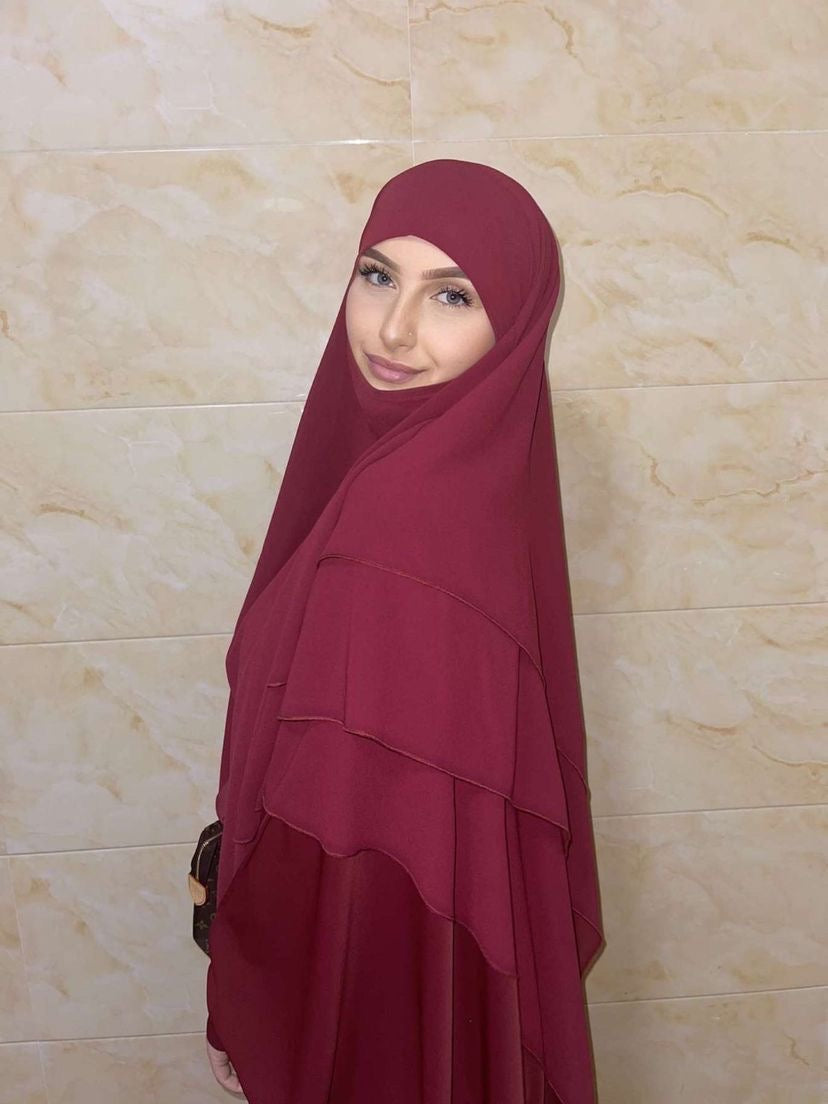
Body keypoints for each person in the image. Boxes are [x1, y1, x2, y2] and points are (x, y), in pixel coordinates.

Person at [205, 158, 605, 1103]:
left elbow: (359, 837)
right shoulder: (476, 470)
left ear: (517, 325)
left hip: (371, 985)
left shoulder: (394, 524)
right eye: (378, 275)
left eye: (452, 296)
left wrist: (262, 997)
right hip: (410, 968)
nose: (393, 329)